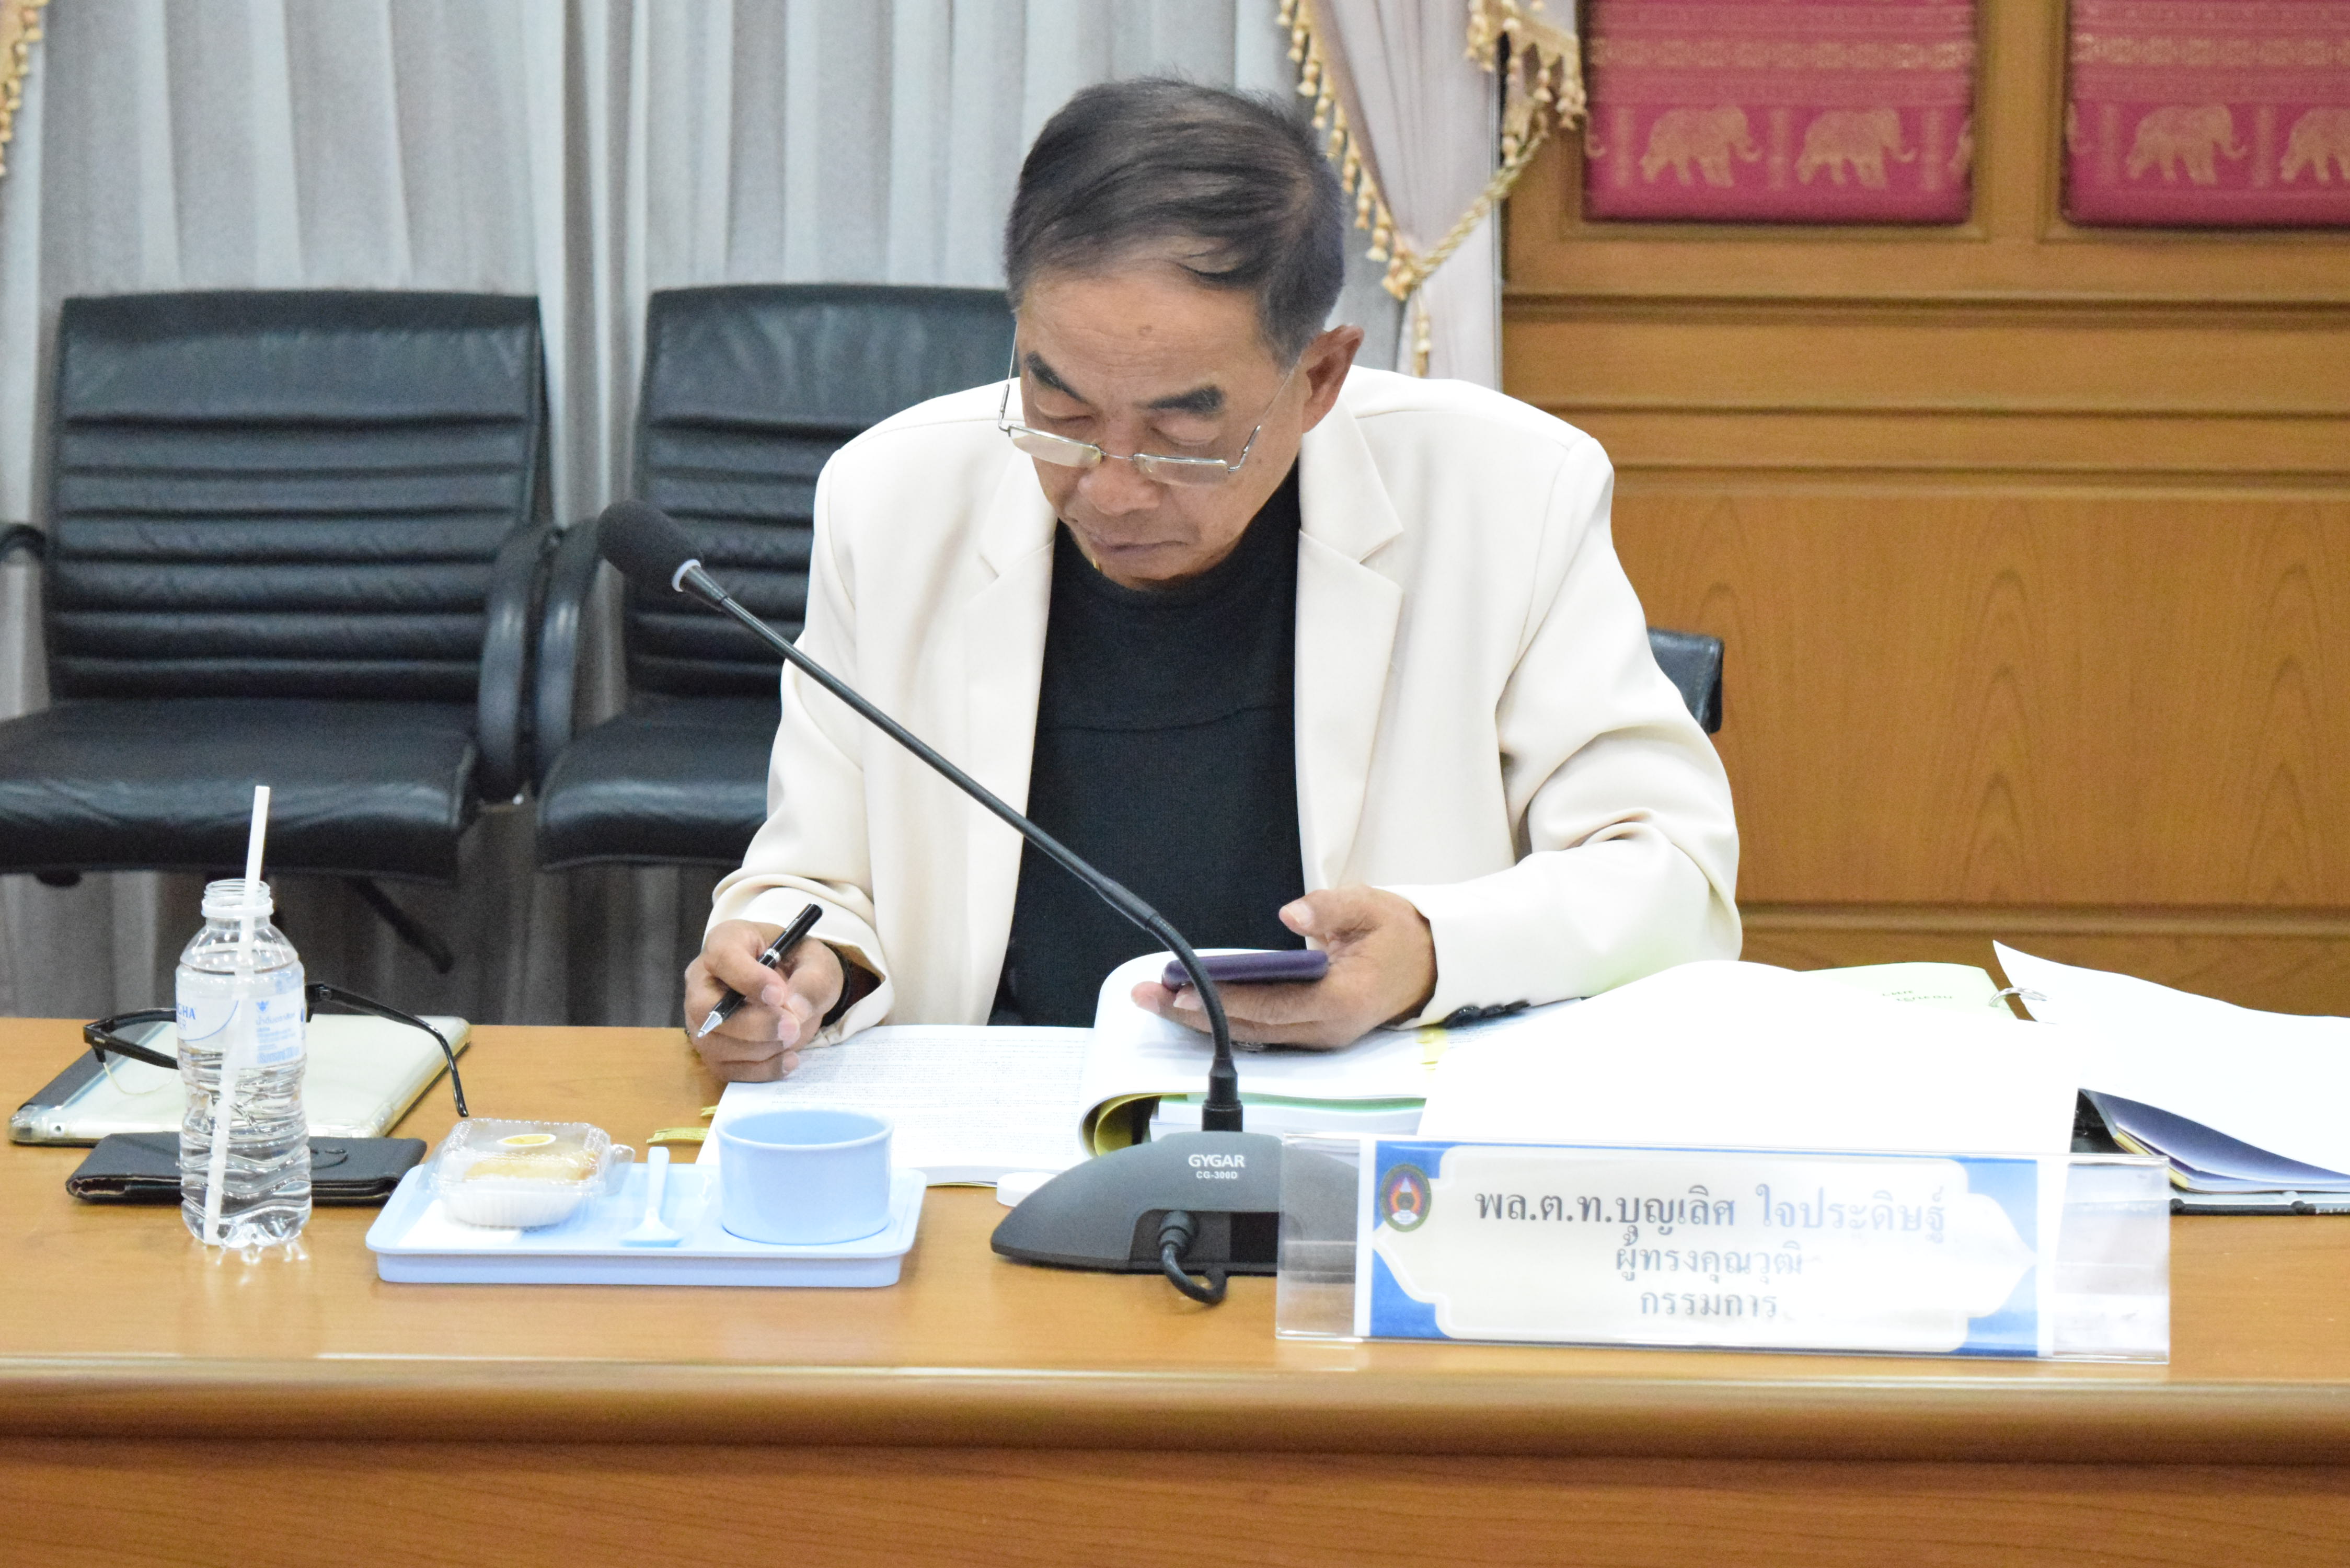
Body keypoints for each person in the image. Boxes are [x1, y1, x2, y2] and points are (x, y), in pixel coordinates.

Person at [686, 78, 1738, 1082]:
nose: (1112, 489)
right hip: (997, 1116)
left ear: (1317, 378)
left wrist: (1430, 947)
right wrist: (799, 967)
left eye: (1182, 436)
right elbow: (816, 876)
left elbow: (1673, 880)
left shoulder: (1508, 493)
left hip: (1366, 1124)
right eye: (1061, 411)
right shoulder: (892, 497)